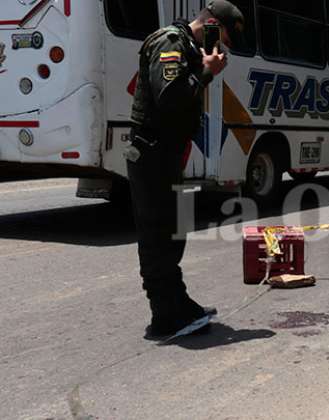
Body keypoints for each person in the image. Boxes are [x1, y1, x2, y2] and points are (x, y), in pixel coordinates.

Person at [126, 0, 245, 339]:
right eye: (220, 35)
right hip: (152, 156)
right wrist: (207, 71)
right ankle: (164, 318)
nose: (220, 45)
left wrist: (203, 66)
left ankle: (179, 304)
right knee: (157, 239)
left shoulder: (189, 48)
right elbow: (169, 97)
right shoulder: (170, 43)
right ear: (211, 23)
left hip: (169, 154)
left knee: (174, 235)